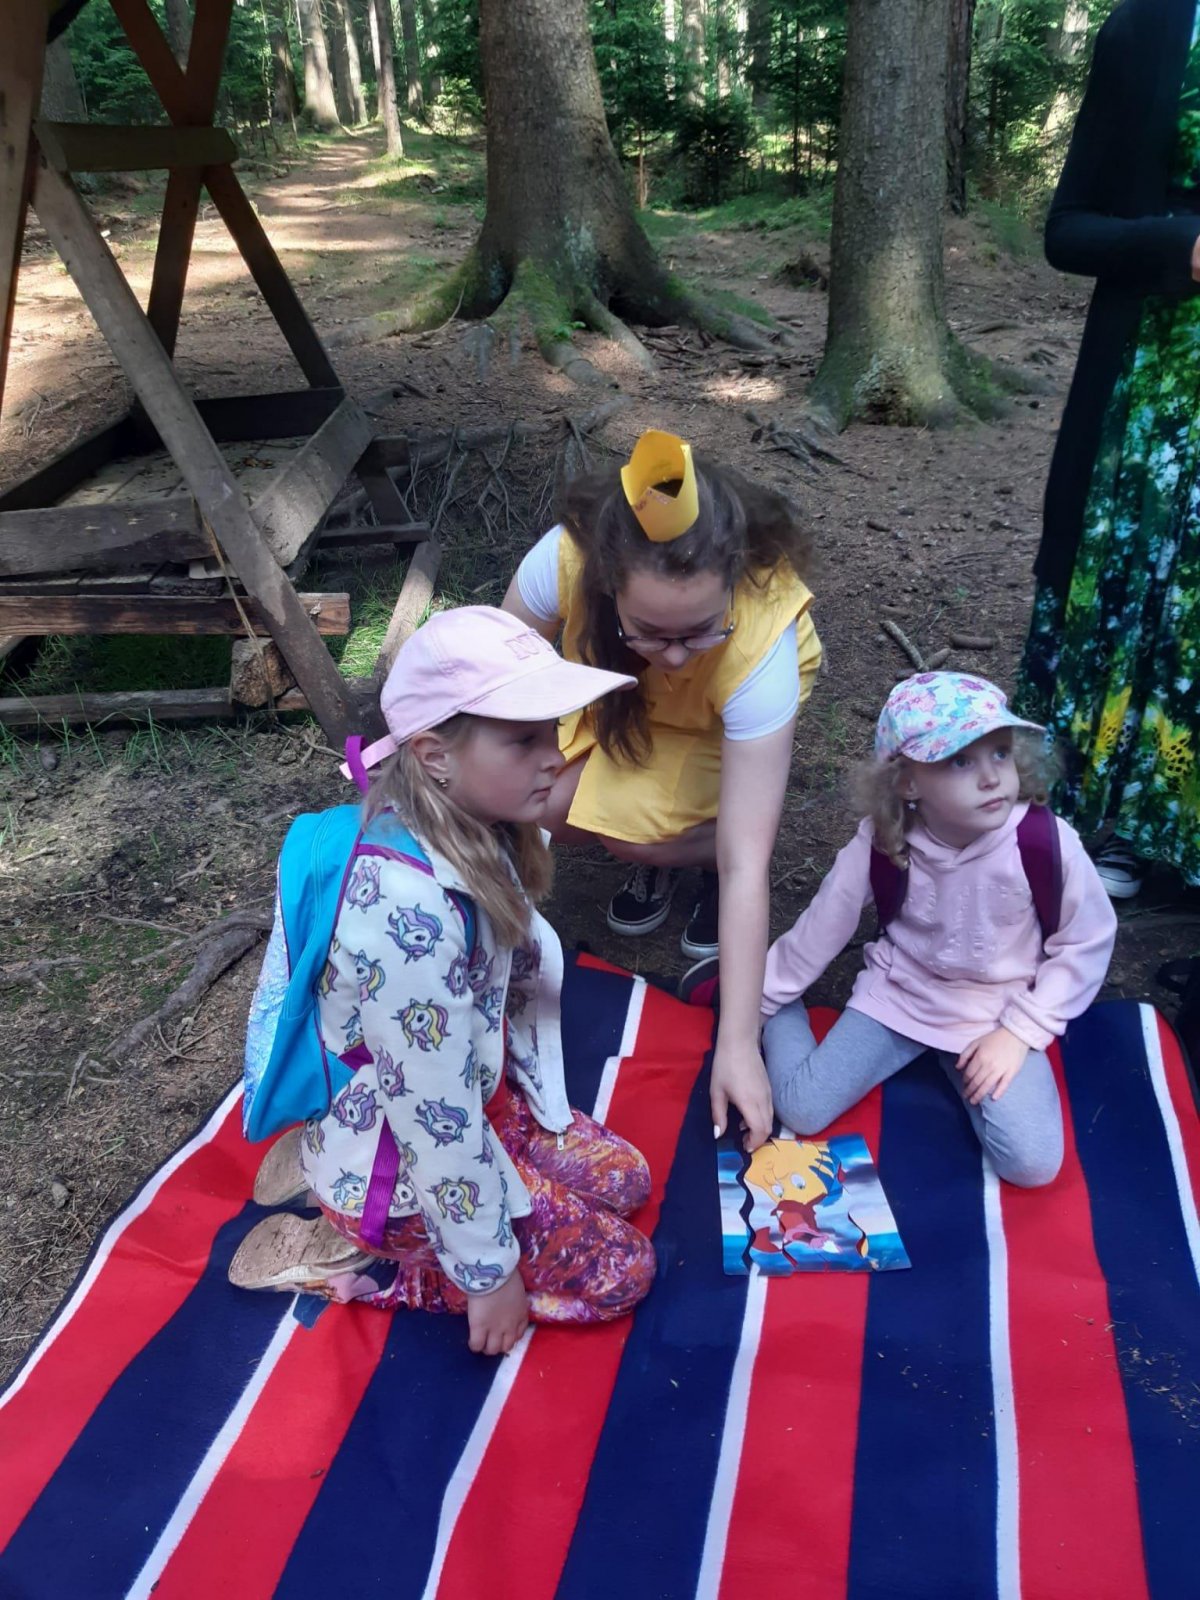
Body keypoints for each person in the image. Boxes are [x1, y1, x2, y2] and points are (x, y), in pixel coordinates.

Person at [230, 607, 656, 1356]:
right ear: (433, 756)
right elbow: (433, 1117)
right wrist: (487, 1274)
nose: (555, 757)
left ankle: (344, 1181)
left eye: (552, 731)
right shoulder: (406, 915)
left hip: (471, 1104)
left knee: (627, 1180)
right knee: (623, 1271)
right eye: (524, 739)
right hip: (400, 1159)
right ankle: (383, 1266)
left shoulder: (473, 819)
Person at [503, 430, 822, 1150]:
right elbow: (491, 682)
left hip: (713, 729)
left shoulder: (761, 645)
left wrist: (737, 1045)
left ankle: (687, 855)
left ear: (734, 583)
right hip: (621, 706)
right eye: (650, 632)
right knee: (541, 797)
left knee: (650, 835)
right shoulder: (563, 559)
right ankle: (660, 841)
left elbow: (750, 864)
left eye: (700, 632)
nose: (675, 655)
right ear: (608, 584)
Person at [759, 673, 1117, 1188]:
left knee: (1033, 1165)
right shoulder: (882, 840)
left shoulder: (1043, 842)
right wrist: (762, 1000)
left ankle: (956, 1063)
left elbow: (1086, 941)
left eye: (1000, 753)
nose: (992, 777)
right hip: (901, 995)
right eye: (960, 761)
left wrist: (1019, 1033)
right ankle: (784, 1015)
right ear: (907, 783)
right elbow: (822, 927)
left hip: (995, 1011)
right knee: (802, 1109)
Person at [1018, 0, 1200, 900]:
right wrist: (1179, 244)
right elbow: (1069, 227)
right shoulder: (1151, 27)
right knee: (1157, 600)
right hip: (1155, 396)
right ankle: (1129, 820)